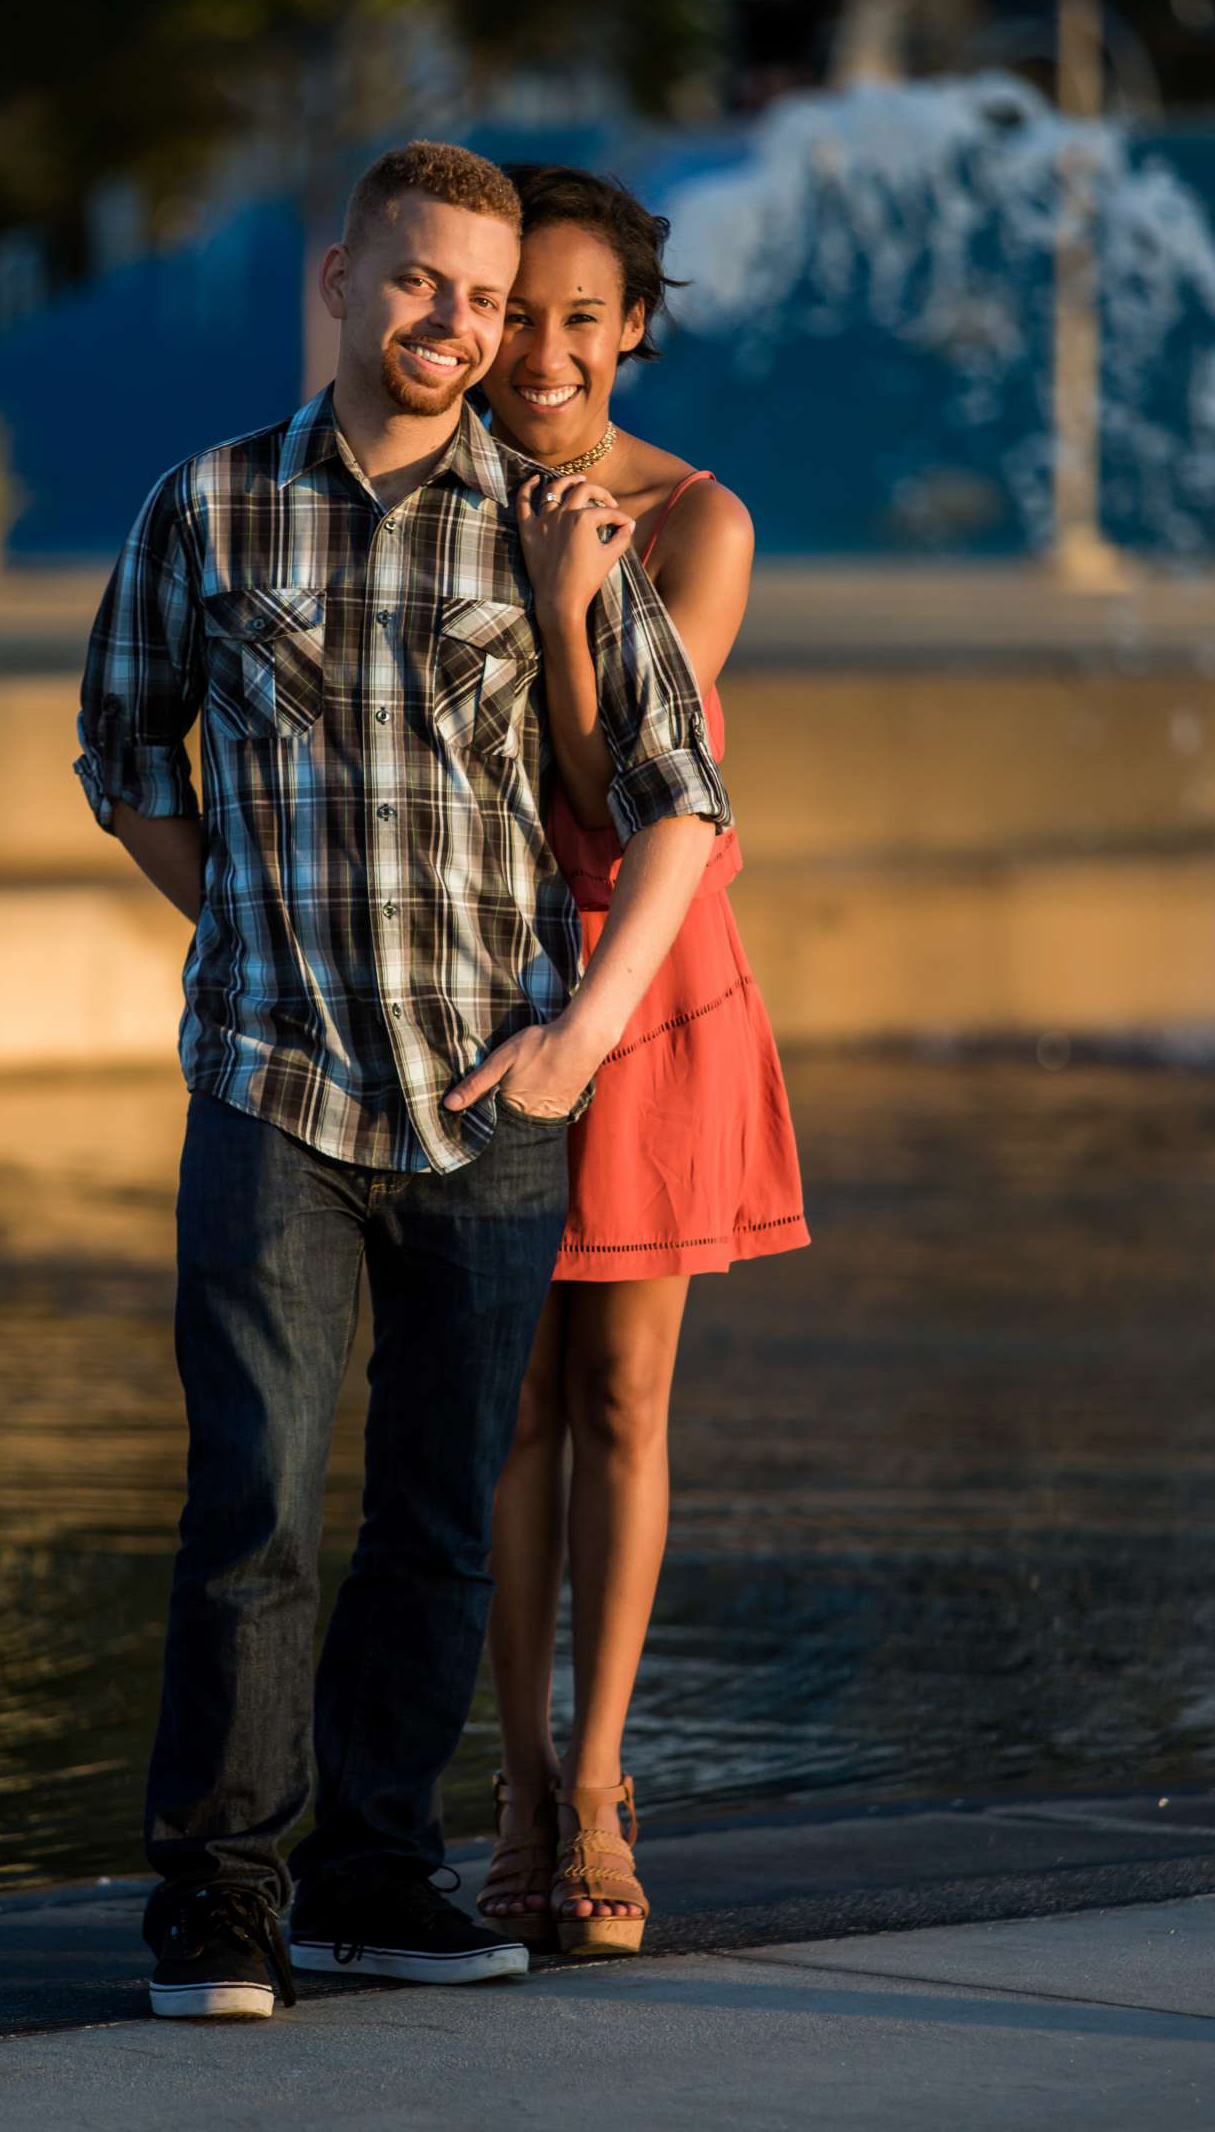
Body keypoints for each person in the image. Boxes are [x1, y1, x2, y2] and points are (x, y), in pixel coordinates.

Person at [73, 141, 733, 2017]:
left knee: (439, 1519)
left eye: (486, 294)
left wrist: (586, 1033)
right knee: (256, 1504)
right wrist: (241, 926)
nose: (457, 326)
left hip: (491, 1106)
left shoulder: (546, 524)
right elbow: (126, 756)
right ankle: (222, 1899)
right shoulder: (203, 509)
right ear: (345, 275)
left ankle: (379, 1871)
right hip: (273, 1088)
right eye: (422, 283)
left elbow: (683, 798)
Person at [473, 164, 809, 1959]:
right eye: (513, 310)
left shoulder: (697, 521)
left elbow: (622, 801)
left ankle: (598, 1780)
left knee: (622, 1397)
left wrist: (554, 601)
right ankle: (511, 1780)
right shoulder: (436, 487)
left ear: (635, 331)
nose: (538, 351)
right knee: (506, 1403)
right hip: (477, 997)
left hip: (651, 986)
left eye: (578, 318)